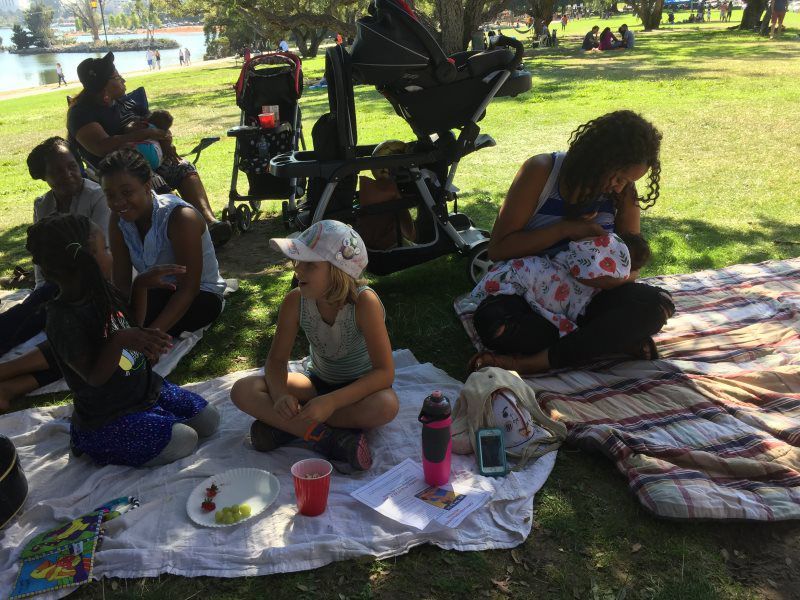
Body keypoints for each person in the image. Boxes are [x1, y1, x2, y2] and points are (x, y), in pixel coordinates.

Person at [468, 110, 674, 375]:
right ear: (598, 159)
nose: (620, 188)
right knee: (498, 327)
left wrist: (611, 281)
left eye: (629, 182)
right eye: (619, 178)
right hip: (527, 293)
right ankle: (604, 340)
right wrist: (565, 229)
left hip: (587, 299)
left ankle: (533, 362)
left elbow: (630, 264)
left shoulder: (622, 197)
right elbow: (499, 250)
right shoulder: (541, 171)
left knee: (657, 304)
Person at [26, 213, 219, 467]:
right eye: (105, 248)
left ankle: (155, 418)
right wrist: (119, 341)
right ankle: (91, 443)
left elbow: (131, 324)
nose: (111, 253)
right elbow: (95, 377)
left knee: (209, 420)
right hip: (108, 416)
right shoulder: (63, 318)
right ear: (87, 260)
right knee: (185, 439)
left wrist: (141, 286)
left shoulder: (103, 290)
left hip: (146, 390)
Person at [230, 220, 399, 473]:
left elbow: (384, 374)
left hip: (358, 392)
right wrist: (280, 397)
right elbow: (276, 361)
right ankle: (330, 438)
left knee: (386, 405)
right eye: (298, 262)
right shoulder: (294, 301)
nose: (298, 271)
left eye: (310, 265)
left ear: (338, 271)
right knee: (242, 389)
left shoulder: (365, 303)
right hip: (316, 384)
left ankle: (286, 429)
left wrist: (331, 402)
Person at [67, 52, 232, 246]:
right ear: (104, 86)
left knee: (183, 168)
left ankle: (209, 223)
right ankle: (188, 233)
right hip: (118, 171)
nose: (123, 80)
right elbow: (101, 147)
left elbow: (153, 125)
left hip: (148, 159)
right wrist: (145, 136)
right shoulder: (81, 113)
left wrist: (165, 142)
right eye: (117, 77)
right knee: (155, 180)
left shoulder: (125, 102)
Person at [0, 137, 111, 410]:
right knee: (27, 311)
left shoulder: (97, 197)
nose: (69, 175)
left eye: (73, 166)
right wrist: (40, 287)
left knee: (77, 340)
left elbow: (101, 253)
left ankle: (9, 383)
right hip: (60, 280)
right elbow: (42, 250)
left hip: (92, 281)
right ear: (43, 177)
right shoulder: (43, 204)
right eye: (58, 171)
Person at [98, 149, 226, 338]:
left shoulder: (181, 218)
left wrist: (151, 335)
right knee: (103, 323)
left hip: (199, 296)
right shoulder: (117, 220)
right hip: (152, 293)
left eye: (126, 192)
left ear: (147, 185)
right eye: (110, 195)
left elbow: (188, 289)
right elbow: (122, 284)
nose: (118, 202)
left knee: (126, 329)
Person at [471, 233, 651, 339]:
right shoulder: (595, 250)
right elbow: (581, 263)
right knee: (499, 308)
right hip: (525, 278)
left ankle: (502, 327)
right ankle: (493, 321)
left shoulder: (605, 284)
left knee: (541, 329)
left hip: (536, 300)